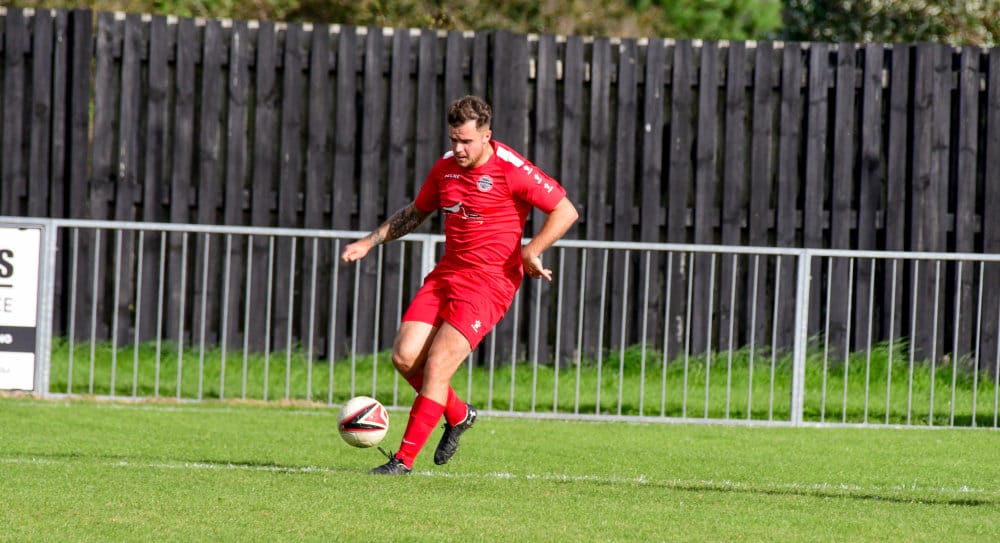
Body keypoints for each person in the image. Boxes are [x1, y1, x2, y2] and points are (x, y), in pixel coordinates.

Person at [341, 95, 578, 475]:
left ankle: (402, 461)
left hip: (489, 283)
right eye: (453, 139)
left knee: (437, 366)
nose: (458, 148)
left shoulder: (511, 169)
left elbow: (565, 210)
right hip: (447, 274)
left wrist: (531, 251)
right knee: (405, 357)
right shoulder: (446, 168)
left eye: (466, 141)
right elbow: (415, 213)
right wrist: (368, 242)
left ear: (487, 136)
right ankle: (458, 413)